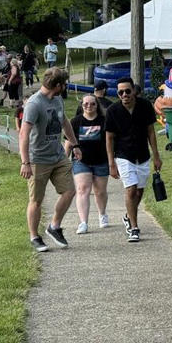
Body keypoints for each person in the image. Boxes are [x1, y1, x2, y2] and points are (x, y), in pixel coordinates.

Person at [19, 67, 81, 252]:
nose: (65, 87)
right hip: (38, 159)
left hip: (58, 155)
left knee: (69, 191)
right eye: (64, 84)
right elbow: (24, 134)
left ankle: (54, 227)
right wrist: (25, 162)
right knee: (36, 200)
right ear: (58, 85)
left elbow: (64, 122)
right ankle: (34, 237)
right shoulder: (34, 104)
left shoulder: (58, 99)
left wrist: (74, 144)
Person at [105, 77, 161, 243]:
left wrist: (156, 155)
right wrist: (111, 164)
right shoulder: (112, 111)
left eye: (127, 91)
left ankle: (128, 215)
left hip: (142, 154)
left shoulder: (144, 106)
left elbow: (151, 131)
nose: (124, 95)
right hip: (123, 155)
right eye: (120, 92)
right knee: (131, 189)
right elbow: (109, 138)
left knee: (139, 191)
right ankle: (134, 228)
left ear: (134, 91)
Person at [67, 95, 109, 234]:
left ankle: (102, 214)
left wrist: (113, 159)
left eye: (92, 104)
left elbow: (111, 141)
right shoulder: (75, 122)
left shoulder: (104, 121)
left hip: (101, 160)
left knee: (100, 191)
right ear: (82, 105)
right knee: (82, 189)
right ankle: (83, 222)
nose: (89, 106)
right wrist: (64, 161)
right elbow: (68, 142)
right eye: (86, 104)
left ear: (97, 105)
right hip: (81, 161)